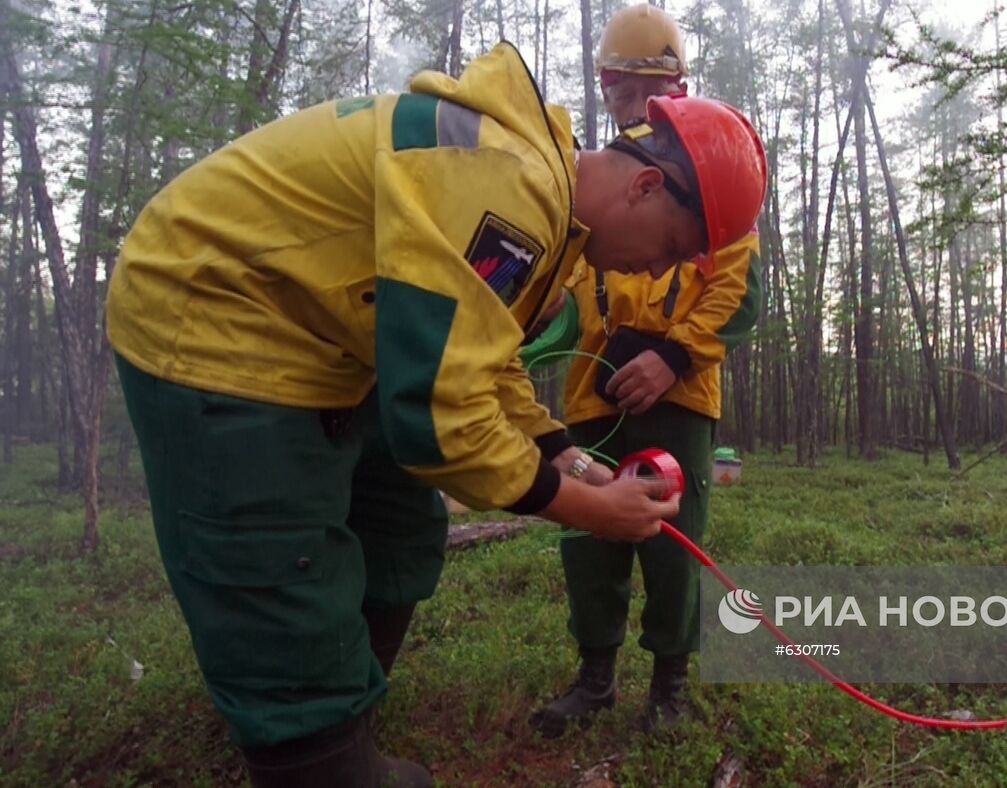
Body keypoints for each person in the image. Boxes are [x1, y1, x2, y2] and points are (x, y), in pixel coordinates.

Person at [106, 41, 766, 787]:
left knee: (397, 520)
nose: (655, 271)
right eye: (671, 249)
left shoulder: (546, 205)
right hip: (216, 315)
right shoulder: (514, 196)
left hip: (336, 339)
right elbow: (439, 420)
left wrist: (567, 456)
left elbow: (482, 364)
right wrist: (585, 507)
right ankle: (312, 746)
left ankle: (343, 704)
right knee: (276, 551)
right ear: (646, 187)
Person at [528, 4, 765, 738]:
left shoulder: (709, 170)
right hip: (591, 392)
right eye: (618, 82)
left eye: (645, 82)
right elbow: (565, 281)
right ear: (602, 83)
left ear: (676, 81)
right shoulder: (589, 176)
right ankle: (594, 677)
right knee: (588, 539)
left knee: (671, 541)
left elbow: (742, 290)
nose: (626, 96)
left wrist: (675, 353)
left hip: (680, 392)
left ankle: (670, 684)